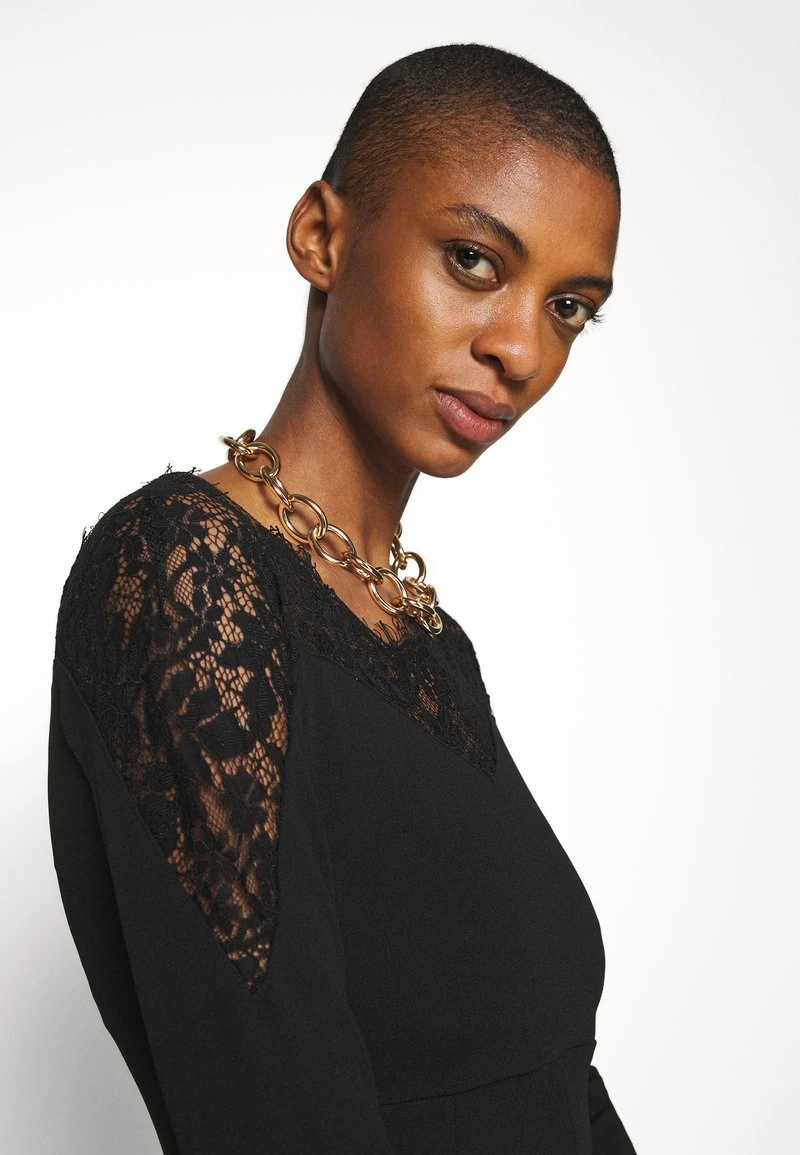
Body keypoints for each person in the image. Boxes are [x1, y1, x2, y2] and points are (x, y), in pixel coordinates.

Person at [47, 42, 636, 1154]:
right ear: (322, 236)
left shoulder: (427, 640)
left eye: (568, 306)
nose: (521, 349)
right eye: (473, 260)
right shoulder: (183, 570)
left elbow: (552, 1083)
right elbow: (271, 1101)